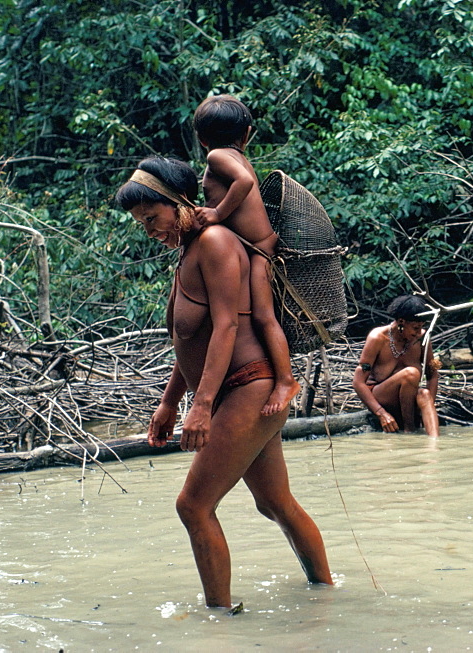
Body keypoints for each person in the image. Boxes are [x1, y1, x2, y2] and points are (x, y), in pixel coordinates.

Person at [116, 156, 332, 609]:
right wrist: (170, 403)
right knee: (273, 503)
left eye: (152, 218)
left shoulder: (214, 242)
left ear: (178, 202)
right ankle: (327, 594)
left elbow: (227, 328)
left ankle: (219, 622)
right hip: (234, 392)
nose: (149, 229)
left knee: (192, 505)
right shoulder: (187, 251)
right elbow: (188, 341)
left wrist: (202, 405)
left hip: (247, 388)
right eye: (141, 224)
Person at [192, 94, 299, 416]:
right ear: (248, 134)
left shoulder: (216, 157)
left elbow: (245, 182)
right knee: (261, 316)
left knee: (263, 317)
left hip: (259, 250)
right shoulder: (235, 155)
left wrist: (217, 214)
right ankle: (283, 377)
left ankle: (286, 380)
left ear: (200, 138)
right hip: (257, 247)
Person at [353, 295, 440, 438]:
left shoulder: (422, 337)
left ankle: (435, 445)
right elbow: (358, 382)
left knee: (424, 394)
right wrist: (381, 413)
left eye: (422, 327)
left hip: (409, 400)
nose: (419, 332)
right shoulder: (378, 338)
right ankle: (409, 430)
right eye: (415, 328)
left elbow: (433, 373)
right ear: (401, 322)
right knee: (411, 373)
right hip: (381, 396)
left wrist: (430, 405)